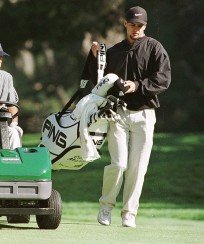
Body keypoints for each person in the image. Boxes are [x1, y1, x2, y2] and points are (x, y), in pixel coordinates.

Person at [90, 6, 171, 227]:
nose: (135, 29)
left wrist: (136, 85)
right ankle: (106, 207)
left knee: (138, 167)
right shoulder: (114, 51)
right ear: (125, 23)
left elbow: (163, 79)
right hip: (118, 114)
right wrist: (95, 56)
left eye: (139, 25)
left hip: (144, 114)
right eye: (132, 24)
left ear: (145, 26)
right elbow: (97, 80)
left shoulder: (155, 47)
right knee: (119, 164)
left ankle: (129, 213)